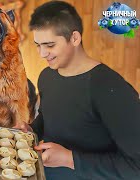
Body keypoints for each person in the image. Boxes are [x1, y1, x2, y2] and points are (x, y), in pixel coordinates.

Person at [29, 1, 140, 180]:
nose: (42, 54)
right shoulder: (46, 76)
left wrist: (70, 159)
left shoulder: (110, 87)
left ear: (74, 38)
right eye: (38, 45)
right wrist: (30, 130)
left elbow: (135, 167)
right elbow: (48, 117)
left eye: (49, 45)